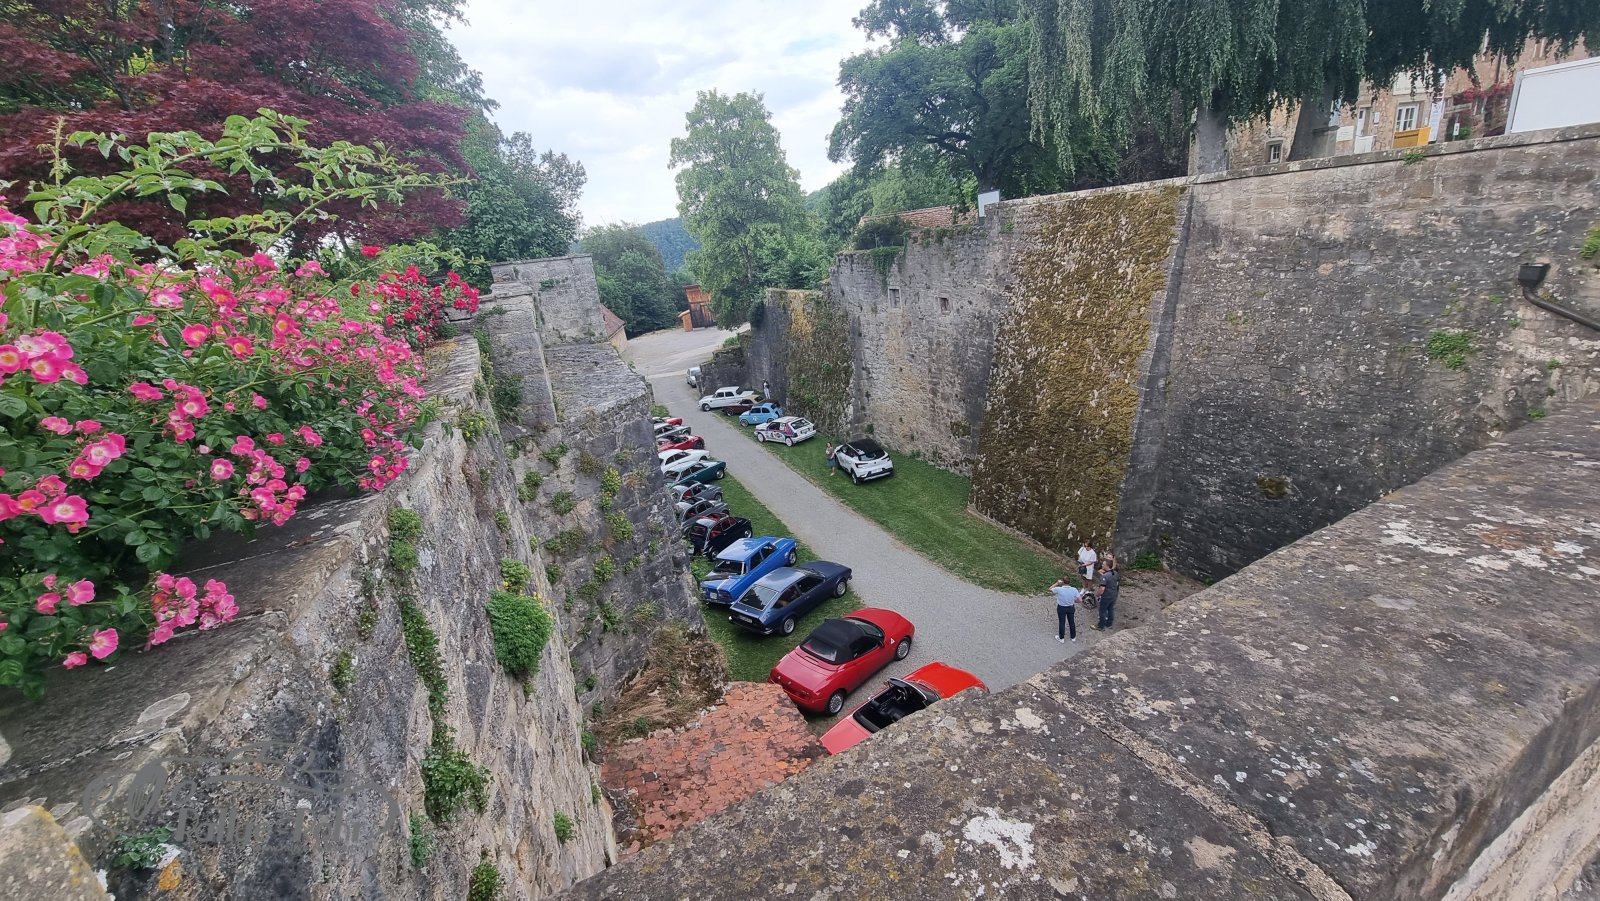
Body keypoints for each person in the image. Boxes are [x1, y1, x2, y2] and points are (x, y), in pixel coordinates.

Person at [1049, 576, 1081, 642]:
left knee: (1062, 622)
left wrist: (1057, 583)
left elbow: (1050, 589)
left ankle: (1061, 638)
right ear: (1070, 582)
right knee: (1071, 622)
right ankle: (1073, 637)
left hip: (1061, 607)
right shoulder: (1074, 589)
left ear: (1062, 582)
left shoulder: (1059, 589)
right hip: (1071, 607)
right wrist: (1075, 601)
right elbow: (1080, 600)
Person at [1093, 561, 1121, 631]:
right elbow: (1117, 584)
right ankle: (1109, 624)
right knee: (1111, 609)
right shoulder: (1116, 573)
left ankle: (1101, 626)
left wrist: (1097, 594)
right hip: (1114, 594)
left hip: (1106, 596)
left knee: (1102, 611)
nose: (1102, 565)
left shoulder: (1105, 576)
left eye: (1103, 564)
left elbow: (1102, 589)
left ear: (1107, 566)